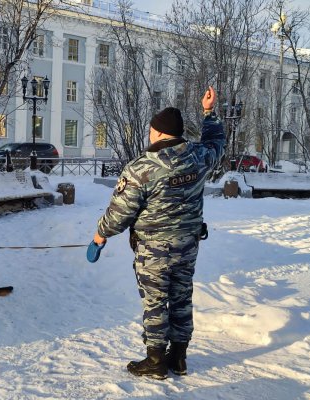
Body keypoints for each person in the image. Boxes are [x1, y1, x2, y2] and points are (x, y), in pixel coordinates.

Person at [91, 86, 225, 380]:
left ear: (160, 133)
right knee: (180, 298)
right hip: (188, 246)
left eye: (152, 129)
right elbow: (216, 142)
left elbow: (119, 214)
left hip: (153, 249)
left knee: (155, 303)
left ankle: (155, 362)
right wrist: (209, 112)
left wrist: (99, 236)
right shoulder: (198, 157)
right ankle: (178, 358)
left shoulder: (142, 168)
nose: (150, 133)